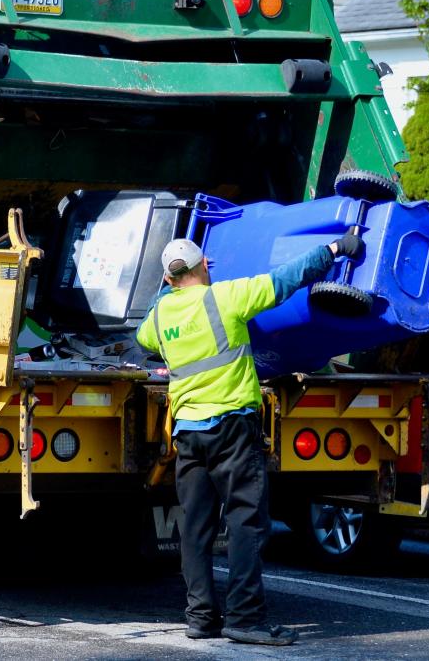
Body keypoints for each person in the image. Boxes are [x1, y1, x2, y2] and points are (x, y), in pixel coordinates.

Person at [137, 231, 364, 647]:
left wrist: (167, 288)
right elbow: (286, 279)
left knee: (195, 528)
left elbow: (144, 334)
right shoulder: (225, 298)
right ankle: (244, 618)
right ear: (204, 265)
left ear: (169, 280)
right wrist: (334, 249)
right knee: (246, 522)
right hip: (232, 431)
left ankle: (201, 618)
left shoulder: (158, 320)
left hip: (189, 435)